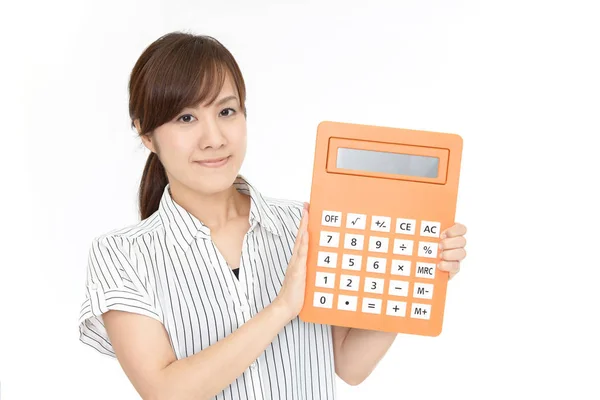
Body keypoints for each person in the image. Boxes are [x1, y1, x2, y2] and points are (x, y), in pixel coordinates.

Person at [77, 31, 468, 400]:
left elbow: (348, 365)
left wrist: (413, 271)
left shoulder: (305, 225)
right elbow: (165, 391)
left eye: (226, 111)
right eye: (186, 118)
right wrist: (282, 308)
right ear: (146, 134)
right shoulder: (122, 255)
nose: (214, 138)